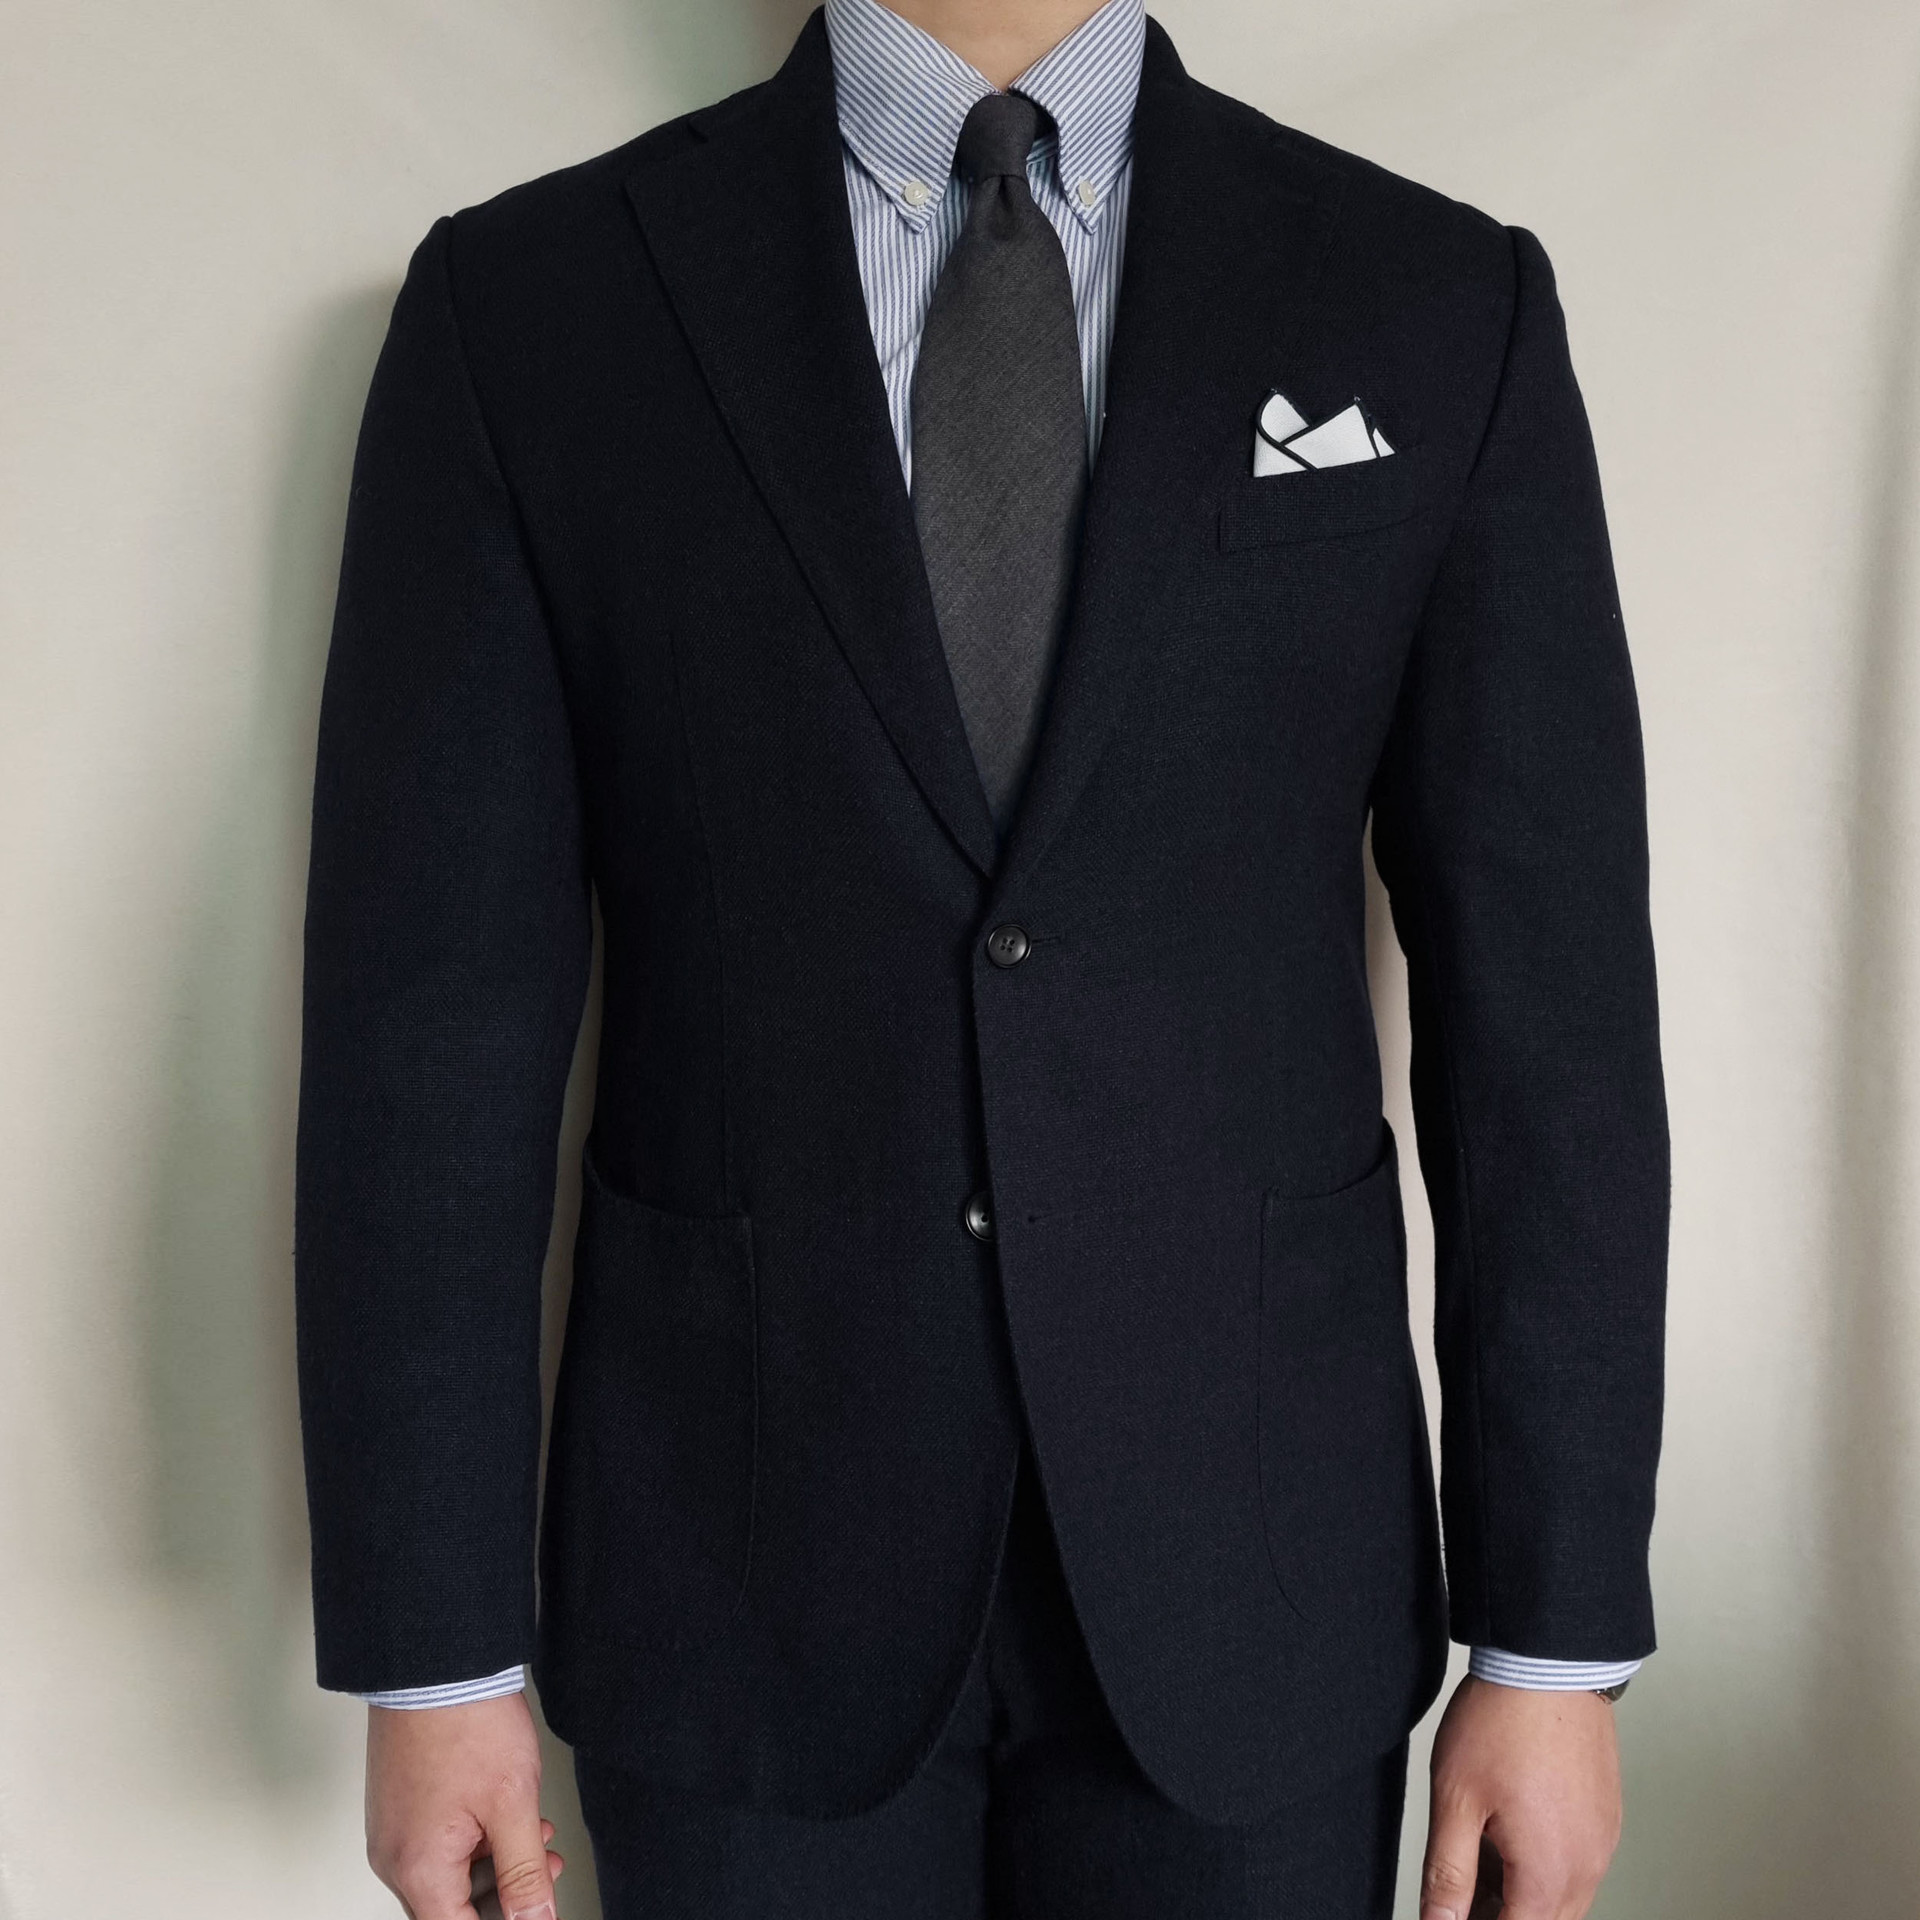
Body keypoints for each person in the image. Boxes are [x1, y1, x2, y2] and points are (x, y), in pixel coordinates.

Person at [293, 0, 1669, 1915]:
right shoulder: (532, 309)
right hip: (736, 1579)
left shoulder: (1432, 298)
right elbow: (425, 1028)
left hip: (1257, 1581)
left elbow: (1552, 1022)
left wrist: (1552, 1639)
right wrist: (437, 1656)